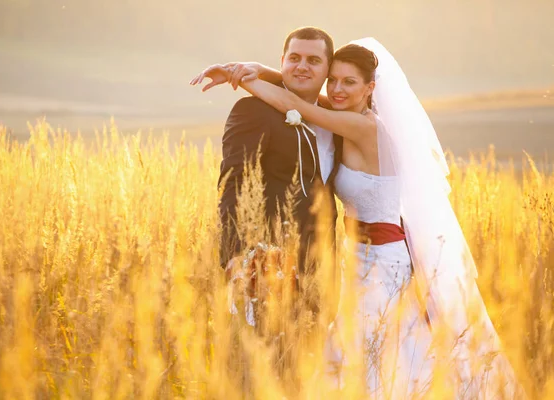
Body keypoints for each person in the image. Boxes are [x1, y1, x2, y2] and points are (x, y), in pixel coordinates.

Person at [191, 37, 523, 398]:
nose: (336, 88)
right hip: (356, 256)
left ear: (371, 88)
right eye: (333, 80)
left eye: (348, 82)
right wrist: (263, 69)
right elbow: (306, 94)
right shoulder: (345, 115)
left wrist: (241, 75)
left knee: (371, 347)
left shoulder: (367, 128)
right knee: (369, 346)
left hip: (384, 258)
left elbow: (292, 101)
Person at [200, 26, 343, 318]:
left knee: (307, 357)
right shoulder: (253, 110)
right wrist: (236, 255)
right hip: (264, 263)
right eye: (294, 58)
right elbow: (232, 183)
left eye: (313, 60)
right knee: (262, 356)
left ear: (328, 70)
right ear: (282, 61)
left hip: (320, 268)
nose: (301, 66)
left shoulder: (337, 122)